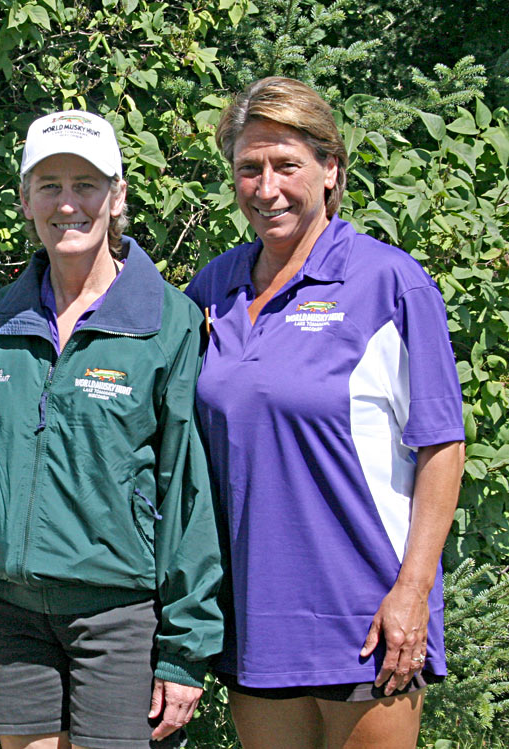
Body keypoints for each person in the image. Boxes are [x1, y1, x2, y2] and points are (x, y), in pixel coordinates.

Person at [185, 76, 466, 748]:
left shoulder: (388, 283)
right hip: (255, 614)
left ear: (330, 168)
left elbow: (441, 445)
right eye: (248, 168)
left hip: (365, 614)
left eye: (287, 165)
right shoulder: (213, 289)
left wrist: (412, 592)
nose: (266, 188)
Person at [0, 110, 222, 749]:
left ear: (117, 195)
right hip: (12, 614)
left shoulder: (167, 322)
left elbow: (187, 491)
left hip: (118, 617)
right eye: (49, 185)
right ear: (25, 198)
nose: (67, 204)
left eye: (86, 185)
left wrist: (185, 647)